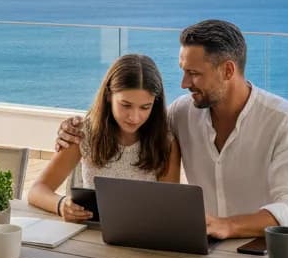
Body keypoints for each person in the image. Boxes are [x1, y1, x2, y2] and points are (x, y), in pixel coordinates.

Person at [57, 19, 288, 242]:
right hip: (210, 252)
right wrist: (72, 129)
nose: (184, 83)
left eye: (193, 73)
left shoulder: (285, 122)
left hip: (282, 253)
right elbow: (134, 124)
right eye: (183, 71)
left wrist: (229, 225)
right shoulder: (181, 113)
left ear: (228, 70)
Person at [29, 54, 181, 222]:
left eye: (145, 107)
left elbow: (169, 206)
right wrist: (61, 204)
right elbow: (37, 190)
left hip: (143, 236)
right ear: (109, 95)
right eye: (126, 105)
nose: (134, 117)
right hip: (91, 233)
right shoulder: (83, 133)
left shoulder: (165, 142)